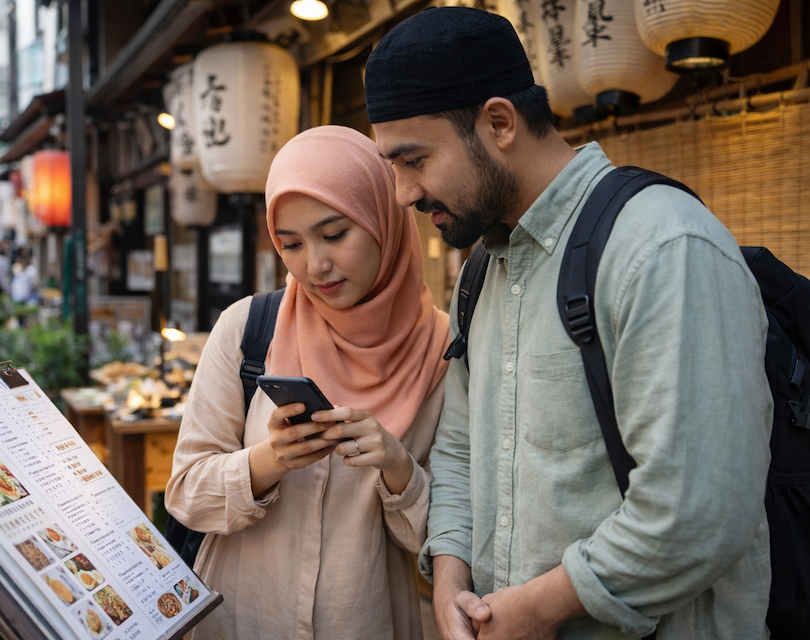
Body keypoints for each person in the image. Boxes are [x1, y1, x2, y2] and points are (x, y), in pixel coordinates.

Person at [363, 8, 773, 640]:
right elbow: (460, 449)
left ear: (499, 122)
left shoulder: (662, 247)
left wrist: (536, 609)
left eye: (413, 160)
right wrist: (450, 579)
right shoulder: (482, 271)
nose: (402, 194)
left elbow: (697, 512)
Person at [165, 125, 451, 639]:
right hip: (240, 619)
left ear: (382, 217)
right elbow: (186, 493)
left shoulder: (441, 348)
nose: (314, 265)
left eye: (335, 233)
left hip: (363, 621)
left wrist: (396, 467)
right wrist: (268, 462)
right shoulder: (247, 329)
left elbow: (446, 536)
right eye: (290, 244)